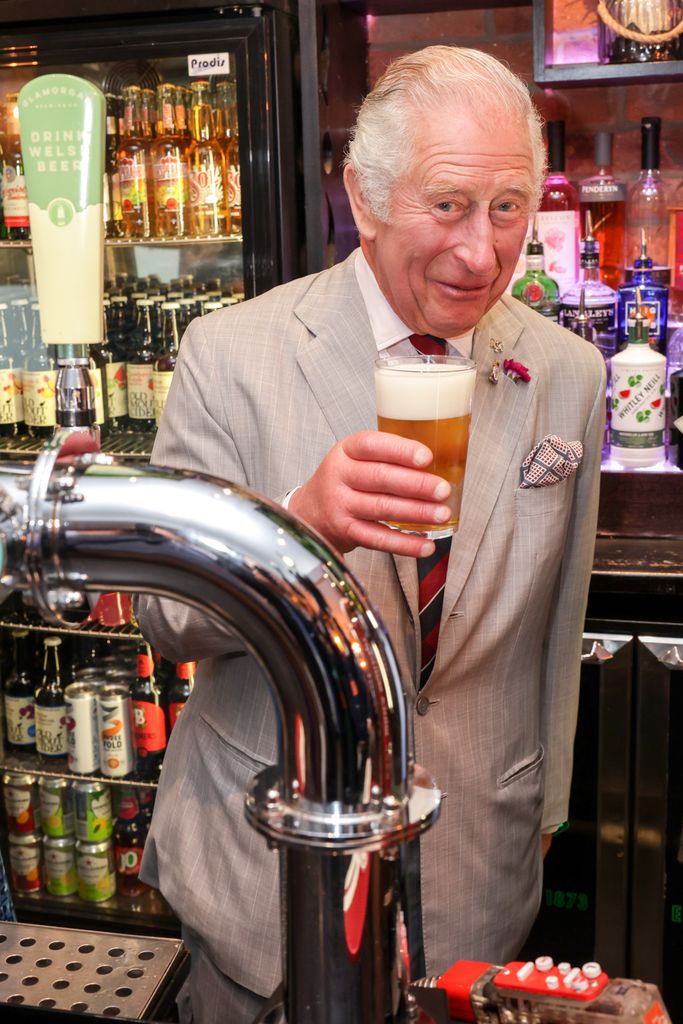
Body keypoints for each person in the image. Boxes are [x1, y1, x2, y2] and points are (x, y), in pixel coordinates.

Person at [137, 45, 606, 1024]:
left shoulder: (564, 373)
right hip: (267, 882)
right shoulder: (230, 356)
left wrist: (543, 812)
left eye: (508, 207)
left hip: (479, 873)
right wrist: (290, 525)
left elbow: (555, 630)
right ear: (363, 196)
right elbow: (163, 617)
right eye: (446, 206)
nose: (481, 253)